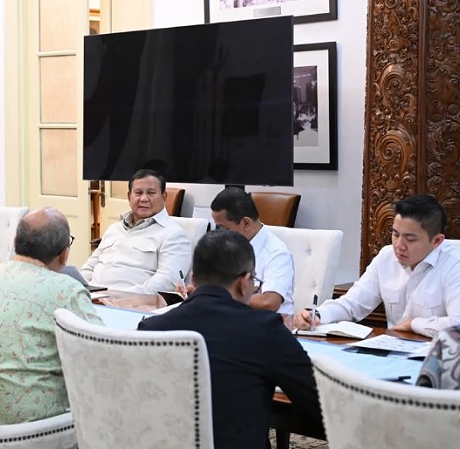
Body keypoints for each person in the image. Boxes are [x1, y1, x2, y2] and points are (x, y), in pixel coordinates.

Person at [138, 230, 322, 449]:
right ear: (245, 282)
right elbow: (319, 404)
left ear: (194, 280)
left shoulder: (150, 329)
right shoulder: (263, 330)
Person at [0, 207, 101, 425]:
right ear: (64, 254)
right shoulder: (67, 291)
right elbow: (101, 356)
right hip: (36, 424)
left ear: (15, 242)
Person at [295, 194, 460, 338]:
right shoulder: (386, 257)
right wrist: (317, 315)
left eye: (410, 238)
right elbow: (352, 304)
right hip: (393, 350)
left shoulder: (458, 265)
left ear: (436, 241)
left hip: (440, 360)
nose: (399, 245)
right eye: (395, 234)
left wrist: (413, 324)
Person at [80, 169, 191, 294]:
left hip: (131, 306)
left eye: (151, 193)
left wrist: (118, 297)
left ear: (164, 197)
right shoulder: (115, 229)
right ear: (129, 197)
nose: (143, 199)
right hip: (92, 300)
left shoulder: (174, 235)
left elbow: (167, 282)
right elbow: (89, 269)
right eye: (138, 193)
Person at [210, 187, 294, 313]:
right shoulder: (228, 247)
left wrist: (223, 297)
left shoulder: (276, 253)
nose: (221, 234)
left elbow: (270, 302)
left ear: (247, 223)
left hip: (267, 326)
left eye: (225, 228)